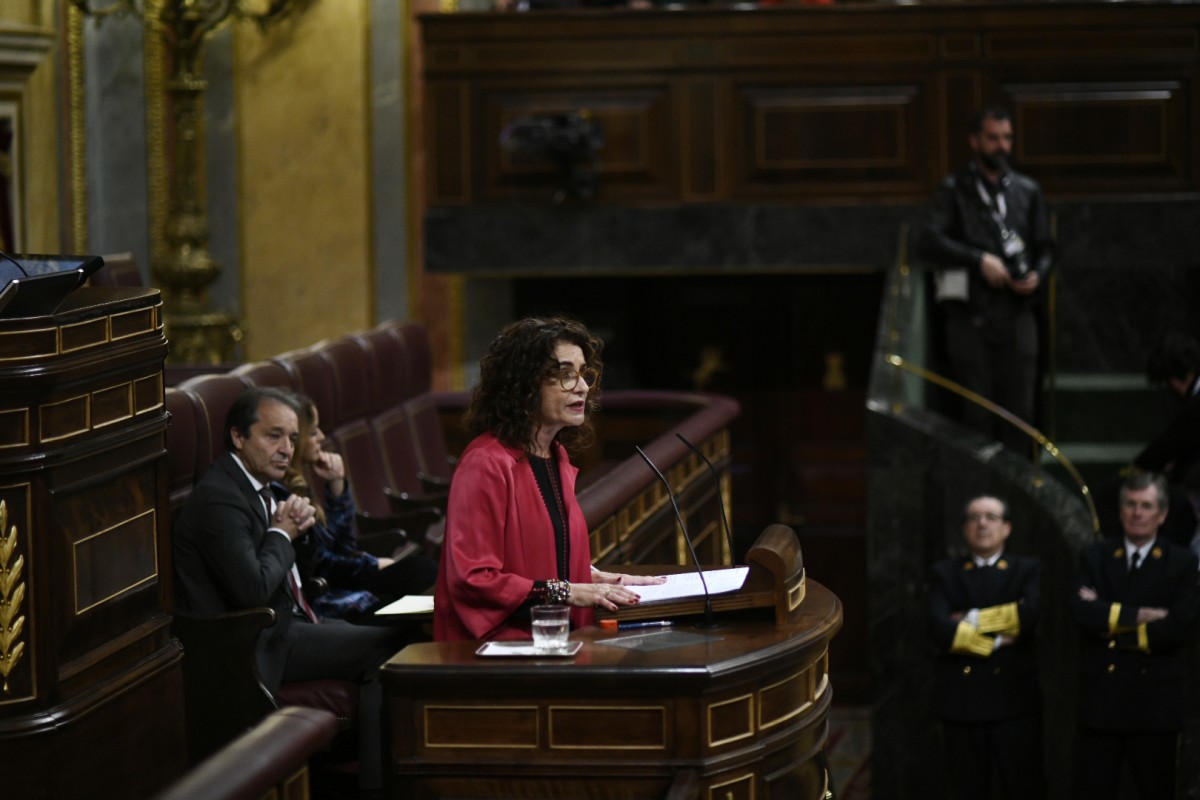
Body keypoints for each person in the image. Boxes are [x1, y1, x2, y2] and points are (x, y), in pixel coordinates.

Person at [172, 386, 406, 791]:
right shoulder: (220, 500)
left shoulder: (260, 487)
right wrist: (282, 533)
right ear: (238, 437)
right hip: (251, 646)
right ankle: (375, 786)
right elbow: (253, 589)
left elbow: (304, 570)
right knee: (387, 651)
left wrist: (302, 530)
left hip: (286, 625)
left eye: (293, 438)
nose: (286, 448)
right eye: (273, 435)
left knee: (401, 637)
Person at [433, 316, 666, 642]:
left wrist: (600, 580)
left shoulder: (554, 456)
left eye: (583, 373)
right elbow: (473, 578)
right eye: (565, 375)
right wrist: (570, 590)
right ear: (523, 385)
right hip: (497, 651)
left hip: (553, 640)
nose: (583, 386)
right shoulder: (485, 464)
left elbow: (540, 562)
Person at [918, 105, 1055, 451]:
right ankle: (980, 501)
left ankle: (1017, 498)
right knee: (976, 412)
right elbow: (929, 240)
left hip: (1018, 310)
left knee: (1021, 412)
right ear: (975, 142)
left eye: (1007, 138)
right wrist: (979, 260)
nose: (1002, 146)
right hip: (970, 312)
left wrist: (1037, 275)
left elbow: (1046, 247)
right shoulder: (954, 189)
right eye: (993, 138)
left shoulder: (1027, 191)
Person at [1071, 472, 1199, 800]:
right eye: (1130, 504)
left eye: (1146, 505)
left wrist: (1109, 620)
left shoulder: (1182, 562)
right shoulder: (1095, 555)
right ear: (1120, 509)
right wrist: (1144, 614)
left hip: (1153, 707)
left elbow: (1177, 627)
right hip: (1101, 703)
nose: (1137, 513)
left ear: (1163, 514)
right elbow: (1082, 614)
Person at [282, 392, 438, 622]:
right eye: (314, 432)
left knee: (422, 571)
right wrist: (372, 566)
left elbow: (344, 545)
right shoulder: (282, 494)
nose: (322, 437)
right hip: (332, 600)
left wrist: (336, 487)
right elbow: (323, 565)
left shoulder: (303, 482)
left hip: (346, 585)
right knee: (419, 579)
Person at [928, 496, 1045, 800]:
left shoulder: (1026, 569)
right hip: (961, 702)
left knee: (1019, 786)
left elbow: (1030, 614)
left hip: (1014, 701)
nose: (982, 523)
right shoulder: (946, 572)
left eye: (991, 517)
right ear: (965, 528)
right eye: (974, 517)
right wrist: (997, 639)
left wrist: (968, 618)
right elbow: (940, 629)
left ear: (1006, 528)